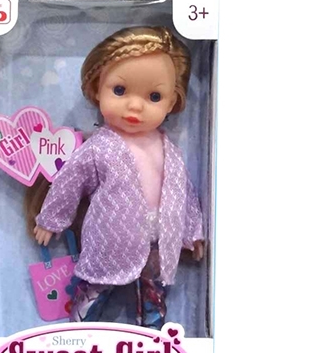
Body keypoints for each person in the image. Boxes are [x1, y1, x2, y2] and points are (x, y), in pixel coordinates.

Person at [32, 26, 205, 329]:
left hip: (159, 242)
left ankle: (151, 342)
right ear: (97, 88)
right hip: (110, 242)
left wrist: (193, 233)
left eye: (154, 96)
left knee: (153, 298)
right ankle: (78, 335)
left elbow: (183, 193)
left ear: (171, 102)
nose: (135, 106)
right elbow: (69, 182)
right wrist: (51, 220)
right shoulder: (99, 147)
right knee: (94, 292)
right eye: (120, 91)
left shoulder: (170, 150)